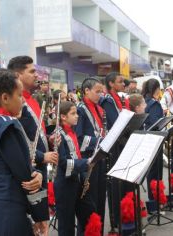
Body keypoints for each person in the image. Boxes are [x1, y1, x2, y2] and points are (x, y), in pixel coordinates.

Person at [0, 69, 42, 236]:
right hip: (8, 210)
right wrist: (40, 215)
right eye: (19, 96)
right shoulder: (8, 126)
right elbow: (25, 176)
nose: (22, 101)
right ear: (5, 98)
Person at [8, 56, 57, 235]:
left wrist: (50, 140)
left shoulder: (33, 100)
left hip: (40, 170)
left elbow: (35, 135)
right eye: (31, 71)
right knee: (35, 225)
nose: (36, 75)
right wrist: (41, 156)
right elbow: (15, 143)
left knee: (42, 222)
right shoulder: (15, 103)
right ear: (17, 75)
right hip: (28, 171)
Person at [54, 101, 95, 236]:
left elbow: (76, 156)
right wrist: (87, 162)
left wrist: (84, 178)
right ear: (63, 117)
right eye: (73, 113)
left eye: (76, 113)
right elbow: (64, 163)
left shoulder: (72, 132)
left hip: (77, 181)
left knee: (89, 214)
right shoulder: (58, 135)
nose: (77, 116)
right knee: (67, 226)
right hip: (65, 185)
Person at [100, 72, 130, 231]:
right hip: (114, 147)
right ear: (111, 84)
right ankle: (116, 219)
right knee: (115, 184)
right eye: (120, 81)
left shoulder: (119, 98)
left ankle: (125, 214)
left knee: (124, 182)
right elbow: (116, 122)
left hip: (122, 144)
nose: (123, 84)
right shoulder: (108, 100)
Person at [75, 78, 105, 232]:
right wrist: (101, 141)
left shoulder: (98, 109)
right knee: (90, 202)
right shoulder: (80, 109)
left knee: (99, 198)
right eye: (97, 91)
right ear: (86, 91)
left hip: (98, 158)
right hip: (88, 161)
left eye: (101, 91)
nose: (100, 94)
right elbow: (79, 139)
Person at [141, 79, 166, 200]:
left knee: (151, 171)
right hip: (155, 139)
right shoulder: (154, 103)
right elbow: (156, 123)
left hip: (145, 139)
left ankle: (153, 199)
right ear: (156, 89)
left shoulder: (144, 100)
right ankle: (155, 199)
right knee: (156, 172)